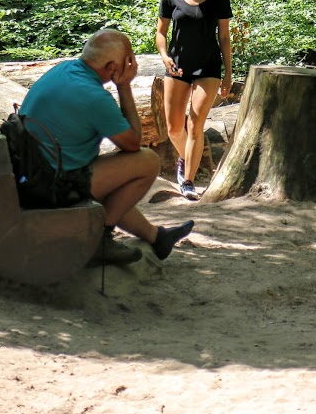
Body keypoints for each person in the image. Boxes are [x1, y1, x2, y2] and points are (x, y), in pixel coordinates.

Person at [17, 29, 194, 265]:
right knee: (147, 161)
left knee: (116, 184)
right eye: (129, 60)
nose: (132, 65)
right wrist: (125, 87)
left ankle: (157, 237)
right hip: (51, 187)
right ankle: (100, 238)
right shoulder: (94, 97)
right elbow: (133, 144)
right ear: (113, 68)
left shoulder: (63, 70)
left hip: (30, 174)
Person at [155, 0, 234, 200]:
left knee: (195, 124)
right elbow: (161, 32)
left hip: (208, 67)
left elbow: (224, 37)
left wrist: (228, 74)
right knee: (174, 128)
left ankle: (188, 181)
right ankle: (184, 159)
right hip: (177, 67)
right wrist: (165, 56)